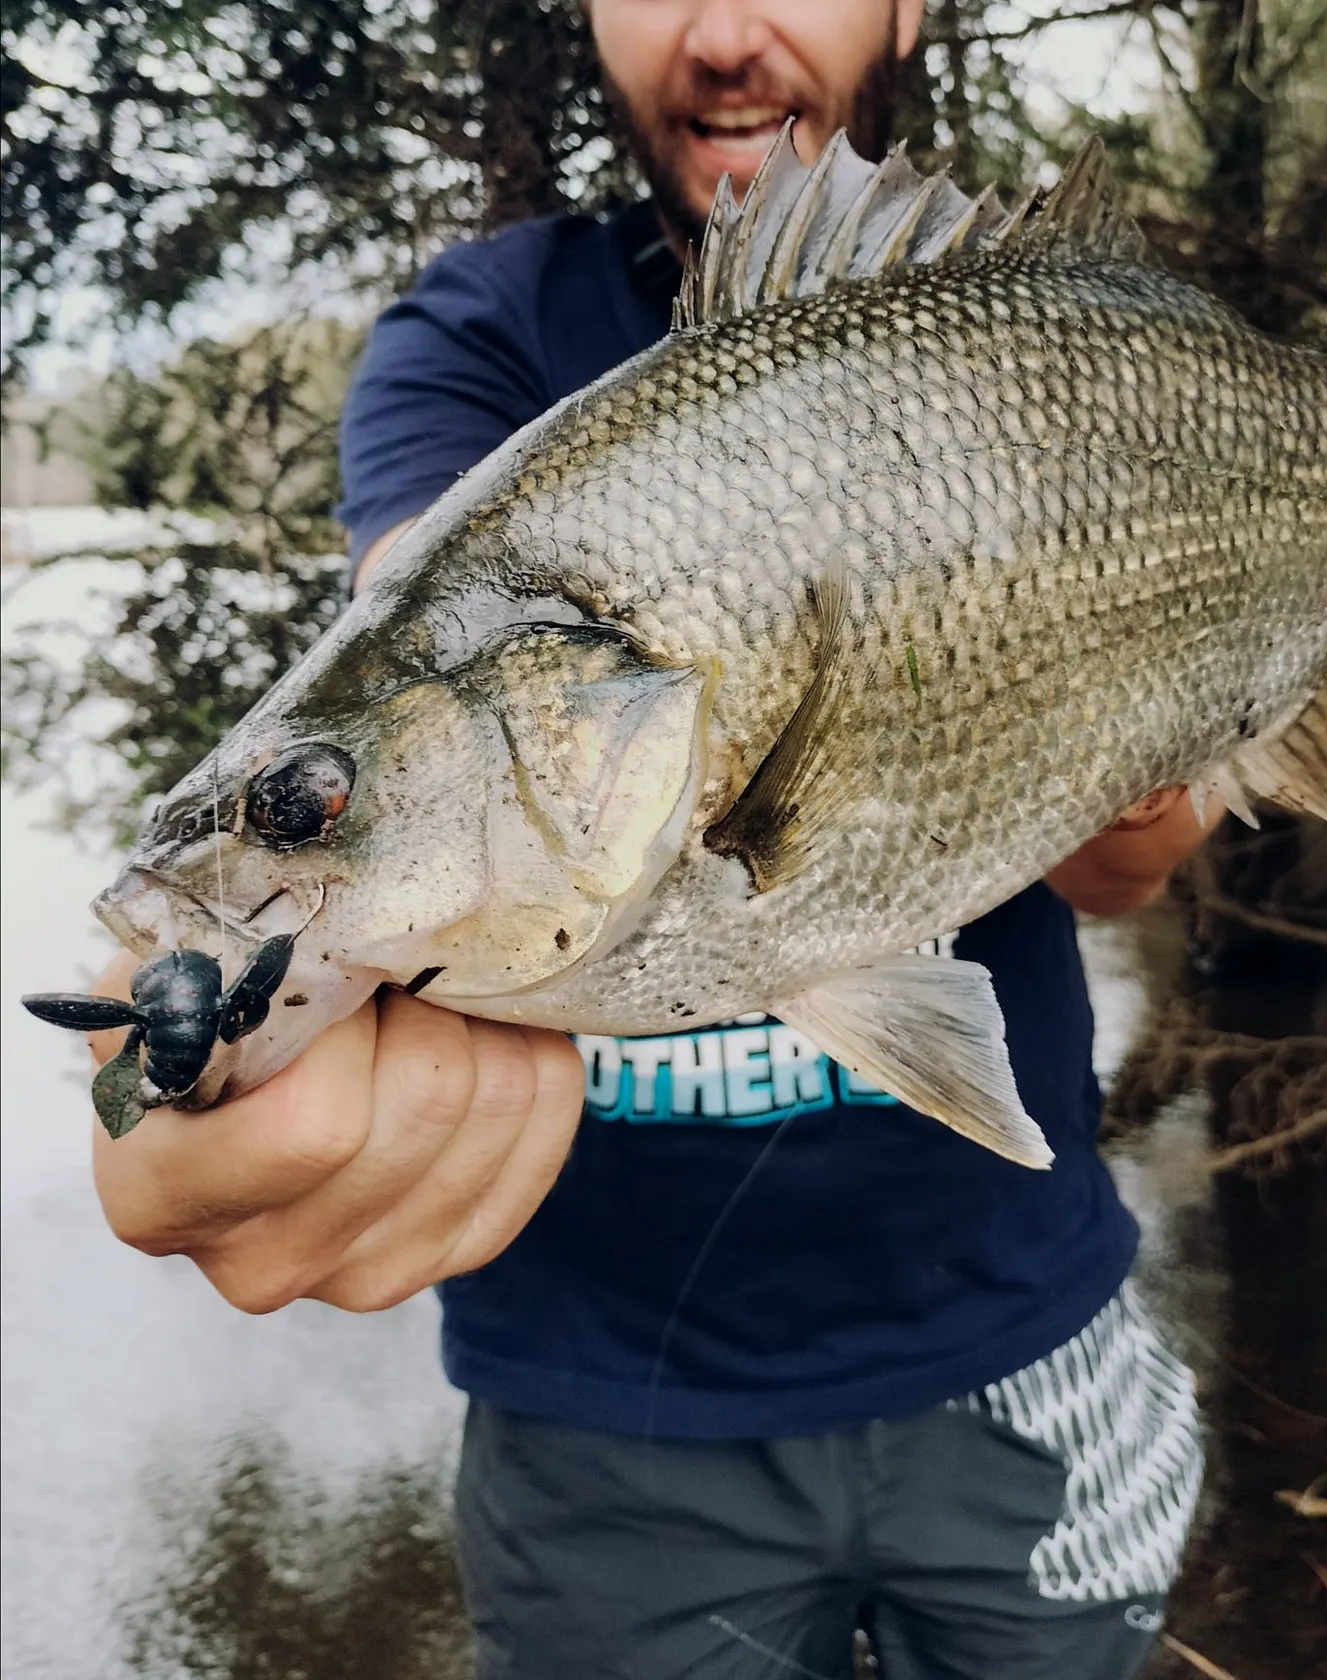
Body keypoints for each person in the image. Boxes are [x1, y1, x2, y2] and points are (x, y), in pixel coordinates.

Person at [88, 3, 1224, 1674]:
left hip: (1028, 1334)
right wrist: (183, 1035)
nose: (723, 30)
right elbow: (420, 626)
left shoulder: (1062, 353)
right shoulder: (481, 334)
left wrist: (1128, 739)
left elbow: (1128, 873)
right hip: (602, 1419)